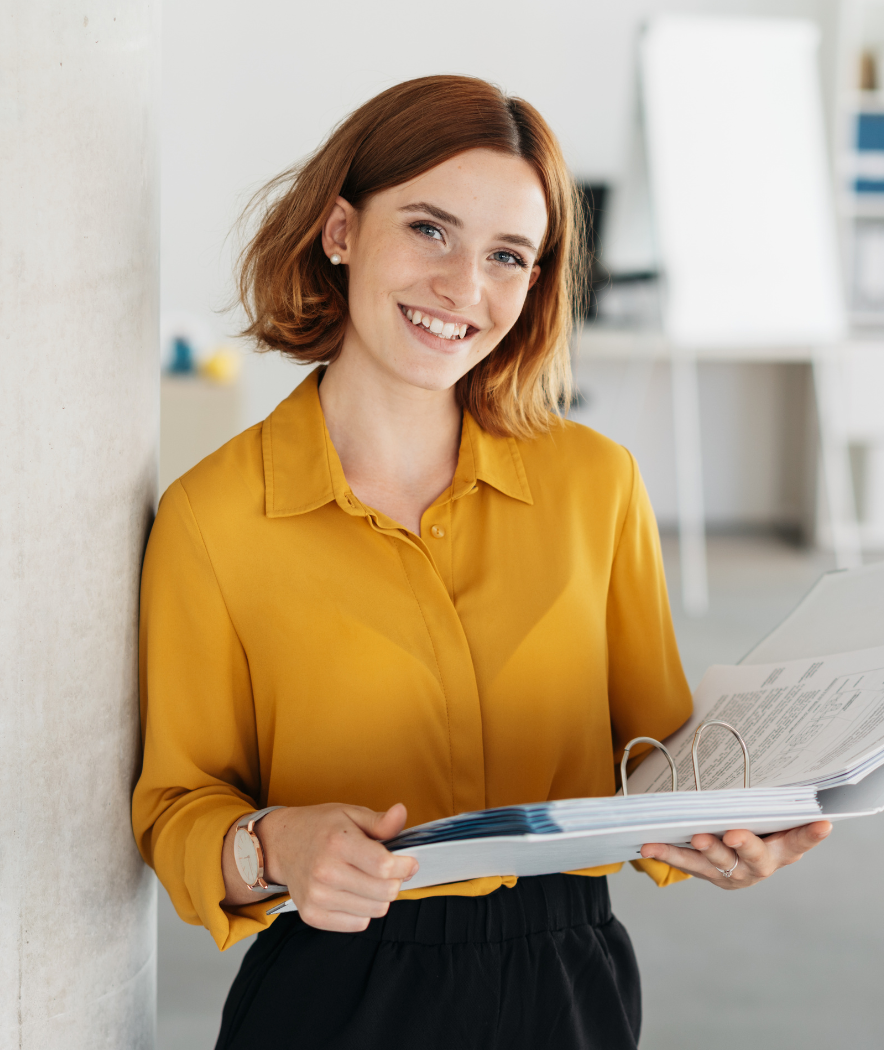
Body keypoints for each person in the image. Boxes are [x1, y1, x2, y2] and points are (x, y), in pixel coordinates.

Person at [132, 74, 832, 1050]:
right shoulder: (213, 518)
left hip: (567, 983)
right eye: (428, 229)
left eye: (508, 255)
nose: (463, 289)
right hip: (336, 995)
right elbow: (175, 807)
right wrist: (272, 844)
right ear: (340, 232)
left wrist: (737, 825)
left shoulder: (596, 485)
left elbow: (661, 757)